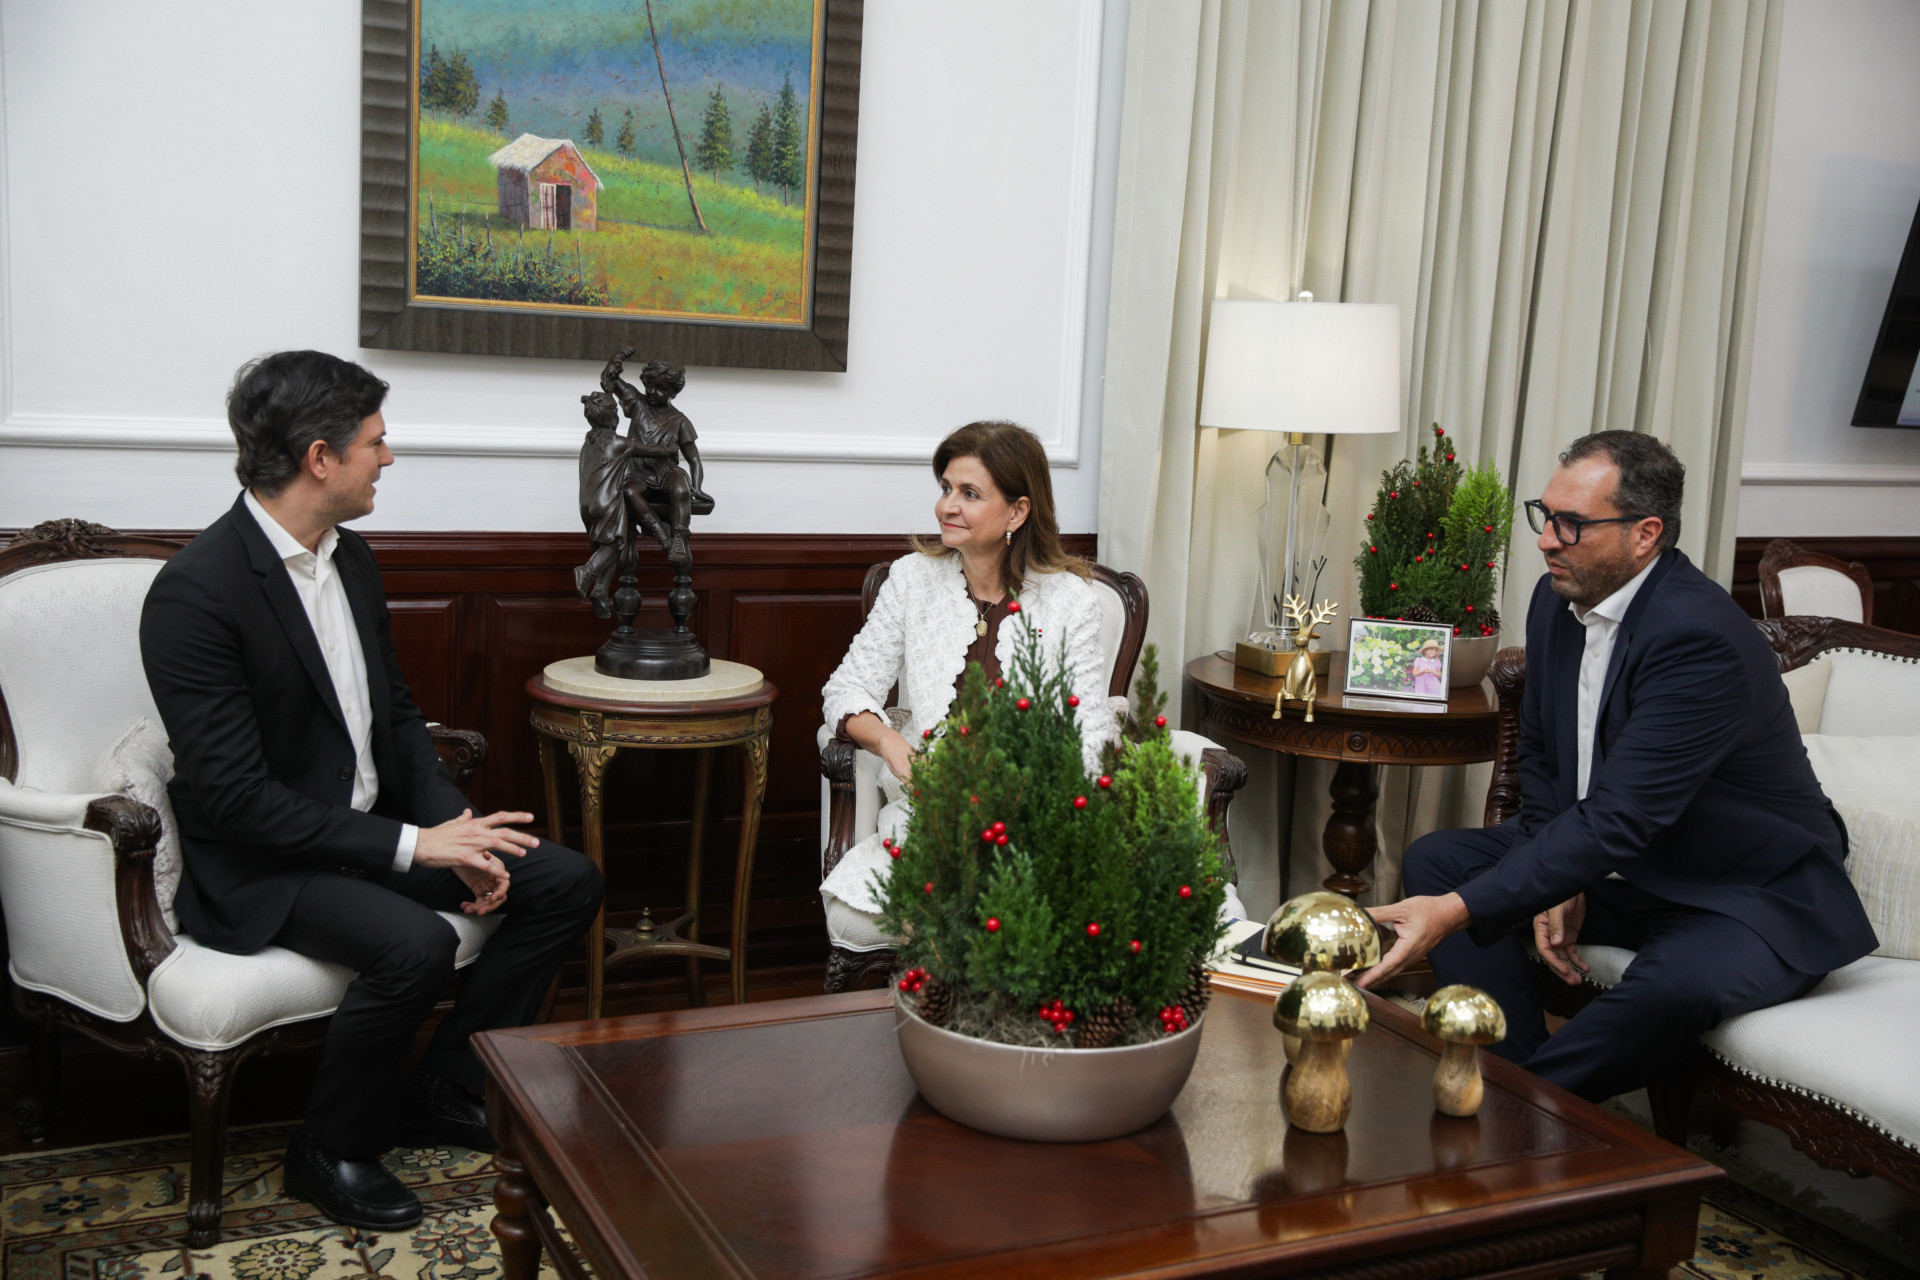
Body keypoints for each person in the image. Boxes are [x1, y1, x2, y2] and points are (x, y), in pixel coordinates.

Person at [140, 351, 604, 1232]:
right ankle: (331, 1147)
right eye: (375, 442)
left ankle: (445, 1087)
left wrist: (456, 832)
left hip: (368, 834)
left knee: (563, 881)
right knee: (413, 945)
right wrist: (416, 848)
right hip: (264, 865)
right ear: (320, 458)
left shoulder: (350, 559)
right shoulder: (196, 593)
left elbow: (396, 718)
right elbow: (236, 800)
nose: (387, 458)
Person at [1357, 431, 1875, 1103]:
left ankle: (1519, 1112)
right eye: (1545, 516)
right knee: (1440, 859)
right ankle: (1510, 1071)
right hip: (1628, 872)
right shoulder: (1556, 600)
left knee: (1673, 987)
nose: (1547, 541)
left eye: (1571, 524)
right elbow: (1542, 758)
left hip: (1742, 892)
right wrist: (1553, 871)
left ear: (1645, 534)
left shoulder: (1700, 638)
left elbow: (1622, 816)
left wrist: (1457, 912)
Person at [819, 420, 1245, 933]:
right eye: (946, 488)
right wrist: (893, 745)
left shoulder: (1070, 601)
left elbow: (1090, 734)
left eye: (969, 493)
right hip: (935, 812)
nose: (947, 506)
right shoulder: (911, 581)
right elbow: (846, 689)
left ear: (1018, 511)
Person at [601, 350, 709, 571]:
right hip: (638, 473)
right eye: (649, 386)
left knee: (680, 489)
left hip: (666, 471)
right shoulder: (637, 404)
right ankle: (659, 530)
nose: (652, 392)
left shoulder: (680, 420)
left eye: (661, 389)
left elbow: (694, 459)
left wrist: (697, 488)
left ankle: (679, 537)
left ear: (673, 392)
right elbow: (609, 380)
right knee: (628, 491)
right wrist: (617, 360)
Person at [572, 387, 635, 616]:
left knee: (604, 549)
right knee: (614, 545)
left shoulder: (587, 444)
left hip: (586, 505)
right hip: (606, 503)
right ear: (612, 416)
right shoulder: (618, 443)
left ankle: (600, 590)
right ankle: (587, 570)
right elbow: (653, 451)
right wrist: (669, 449)